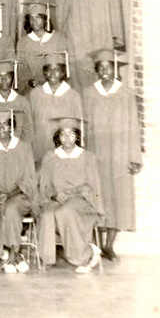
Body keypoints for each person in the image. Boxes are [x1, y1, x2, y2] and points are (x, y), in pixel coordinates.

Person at [82, 49, 142, 261]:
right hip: (96, 154)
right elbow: (84, 127)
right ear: (96, 70)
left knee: (118, 199)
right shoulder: (89, 94)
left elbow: (134, 126)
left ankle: (109, 245)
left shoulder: (126, 93)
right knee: (98, 196)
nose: (105, 71)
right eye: (101, 68)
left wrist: (134, 157)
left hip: (120, 154)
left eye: (109, 67)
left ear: (115, 70)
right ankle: (98, 244)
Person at [34, 116, 103, 273]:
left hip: (80, 200)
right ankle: (47, 258)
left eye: (71, 134)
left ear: (77, 136)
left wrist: (76, 192)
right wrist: (53, 194)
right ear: (58, 136)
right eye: (63, 134)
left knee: (65, 211)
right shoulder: (50, 157)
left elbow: (94, 187)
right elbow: (44, 184)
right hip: (56, 199)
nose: (66, 138)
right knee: (47, 214)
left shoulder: (88, 157)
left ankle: (86, 255)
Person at [0, 110, 37, 272]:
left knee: (11, 209)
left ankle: (14, 253)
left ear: (12, 127)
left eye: (6, 124)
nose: (2, 128)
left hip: (19, 195)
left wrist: (12, 193)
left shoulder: (24, 148)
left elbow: (29, 178)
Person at [29, 52, 84, 164]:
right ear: (44, 72)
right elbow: (29, 123)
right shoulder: (35, 94)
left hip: (64, 149)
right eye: (49, 69)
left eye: (57, 70)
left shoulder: (73, 96)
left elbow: (78, 127)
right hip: (40, 148)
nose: (52, 73)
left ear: (63, 72)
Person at [16, 1, 71, 91]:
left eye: (38, 17)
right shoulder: (23, 43)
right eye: (31, 18)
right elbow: (21, 72)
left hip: (55, 87)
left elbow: (65, 68)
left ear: (45, 19)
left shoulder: (58, 39)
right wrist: (30, 82)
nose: (34, 21)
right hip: (33, 89)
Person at [0, 61, 33, 145]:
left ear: (13, 78)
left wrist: (22, 148)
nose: (4, 80)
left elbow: (28, 130)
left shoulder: (23, 102)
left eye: (7, 76)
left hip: (19, 148)